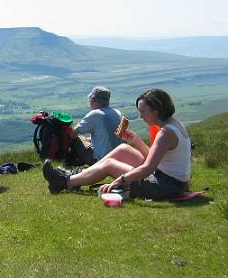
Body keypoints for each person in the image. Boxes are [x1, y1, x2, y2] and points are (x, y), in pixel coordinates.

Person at [43, 88, 191, 200]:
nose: (141, 116)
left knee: (110, 165)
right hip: (169, 181)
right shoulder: (174, 124)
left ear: (156, 110)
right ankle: (78, 177)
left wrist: (121, 180)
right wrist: (135, 141)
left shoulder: (165, 133)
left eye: (143, 111)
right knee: (123, 148)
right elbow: (154, 159)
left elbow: (148, 168)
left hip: (165, 186)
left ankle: (64, 182)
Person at [70, 86, 123, 163]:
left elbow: (73, 134)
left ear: (95, 102)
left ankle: (70, 162)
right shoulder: (117, 112)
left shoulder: (95, 114)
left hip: (101, 159)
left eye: (90, 100)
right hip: (119, 157)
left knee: (77, 138)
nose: (89, 102)